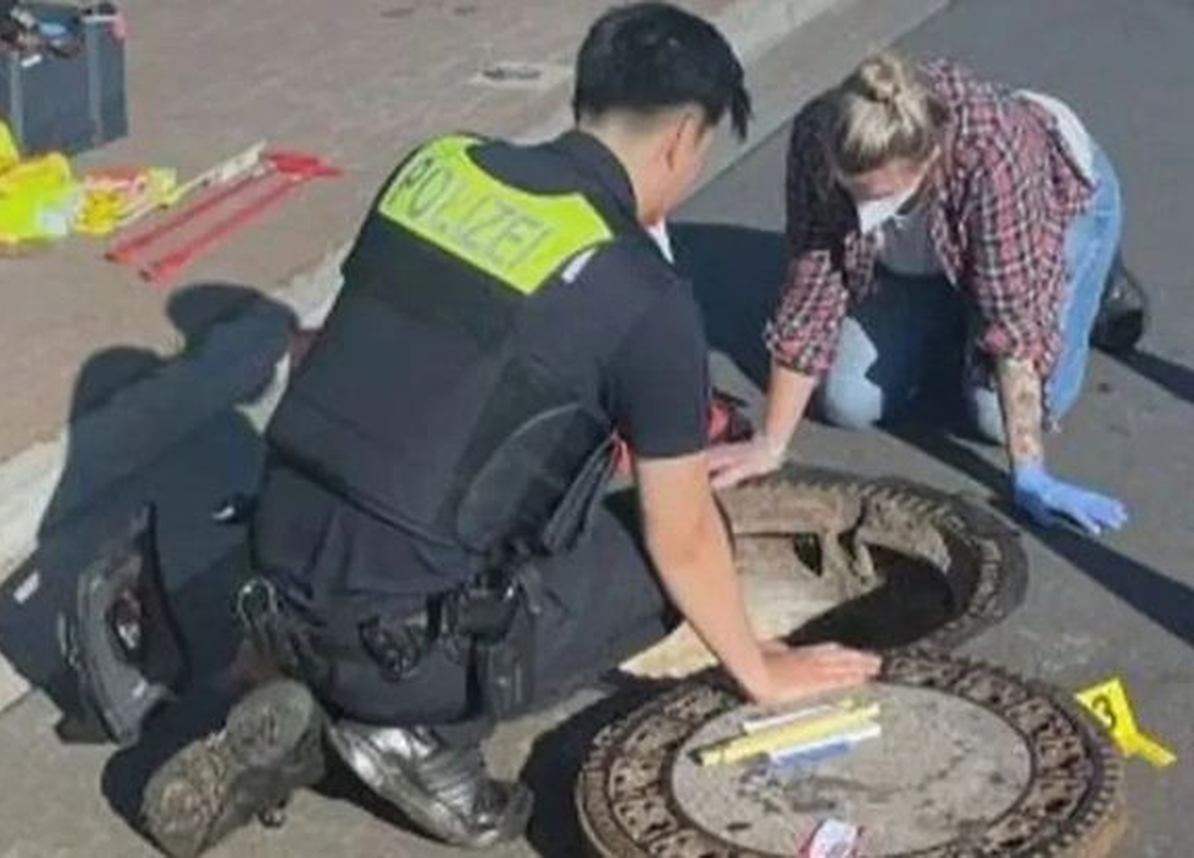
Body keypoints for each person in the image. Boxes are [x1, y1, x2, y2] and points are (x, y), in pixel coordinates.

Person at [140, 5, 882, 855]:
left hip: (273, 580)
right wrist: (760, 668)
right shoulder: (644, 294)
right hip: (405, 651)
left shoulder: (438, 168)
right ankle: (416, 734)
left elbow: (323, 360)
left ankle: (294, 685)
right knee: (673, 542)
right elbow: (679, 539)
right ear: (684, 137)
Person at [708, 52, 1144, 536]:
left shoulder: (997, 155)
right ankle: (961, 290)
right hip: (925, 240)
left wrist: (1029, 473)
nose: (859, 211)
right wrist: (770, 442)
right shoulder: (821, 133)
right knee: (850, 401)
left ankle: (1097, 276)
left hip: (1053, 205)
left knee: (990, 416)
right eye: (851, 192)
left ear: (930, 159)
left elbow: (1016, 325)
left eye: (879, 198)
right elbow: (813, 286)